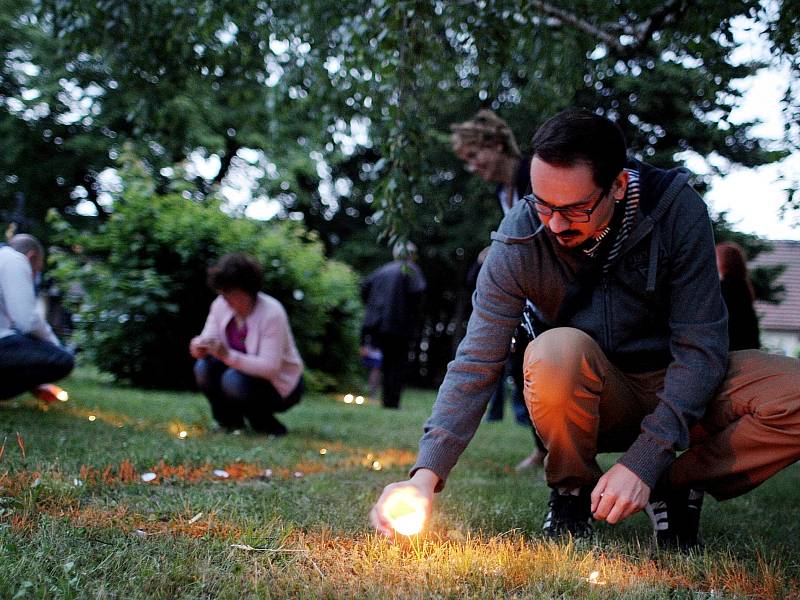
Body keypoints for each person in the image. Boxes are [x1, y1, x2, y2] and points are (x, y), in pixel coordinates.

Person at [371, 108, 800, 549]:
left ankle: (673, 483)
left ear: (617, 185)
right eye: (542, 204)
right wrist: (425, 477)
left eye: (574, 209)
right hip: (595, 391)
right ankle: (572, 489)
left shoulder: (676, 211)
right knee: (554, 351)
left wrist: (647, 460)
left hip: (681, 381)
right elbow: (476, 361)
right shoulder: (520, 236)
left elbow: (701, 347)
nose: (554, 224)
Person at [451, 109, 546, 468]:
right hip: (524, 299)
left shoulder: (532, 177)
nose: (473, 167)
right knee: (521, 372)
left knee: (540, 371)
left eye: (474, 156)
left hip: (550, 296)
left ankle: (559, 452)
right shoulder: (502, 192)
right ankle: (542, 448)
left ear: (495, 143)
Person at [190, 253, 303, 436]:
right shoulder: (220, 305)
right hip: (238, 377)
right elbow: (208, 337)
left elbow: (270, 368)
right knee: (204, 367)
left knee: (232, 379)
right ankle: (229, 423)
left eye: (231, 292)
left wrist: (227, 356)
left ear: (247, 290)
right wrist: (199, 346)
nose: (225, 298)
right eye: (223, 292)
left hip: (279, 385)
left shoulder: (272, 313)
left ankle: (266, 424)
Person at [0, 234, 74, 401]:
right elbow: (28, 321)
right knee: (62, 359)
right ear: (31, 257)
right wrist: (55, 345)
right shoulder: (14, 259)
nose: (34, 277)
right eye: (36, 271)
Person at [360, 242, 426, 409]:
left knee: (385, 362)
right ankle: (392, 402)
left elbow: (364, 288)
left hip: (378, 324)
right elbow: (418, 294)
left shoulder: (382, 270)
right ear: (411, 255)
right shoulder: (410, 270)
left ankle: (384, 399)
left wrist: (373, 309)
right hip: (398, 324)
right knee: (397, 364)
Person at [716, 242, 761, 350]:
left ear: (724, 261)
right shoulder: (743, 285)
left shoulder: (726, 287)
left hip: (733, 348)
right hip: (746, 346)